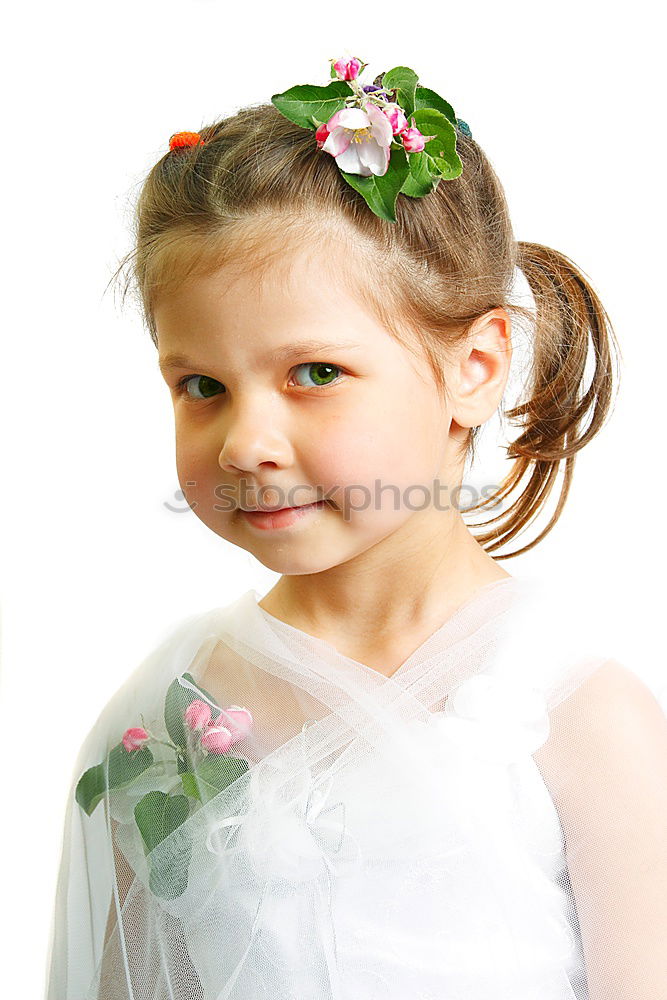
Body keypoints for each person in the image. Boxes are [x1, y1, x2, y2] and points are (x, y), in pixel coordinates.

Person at [44, 55, 667, 1000]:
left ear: (476, 365)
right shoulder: (171, 716)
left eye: (315, 373)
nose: (247, 442)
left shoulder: (576, 716)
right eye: (201, 387)